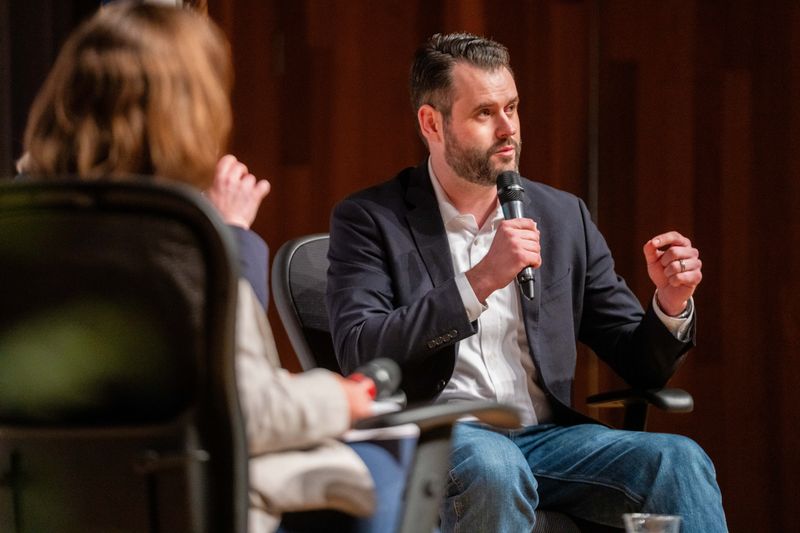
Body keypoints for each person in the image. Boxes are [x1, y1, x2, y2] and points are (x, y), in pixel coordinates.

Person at [15, 3, 404, 532]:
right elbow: (248, 413)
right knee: (382, 470)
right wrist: (338, 396)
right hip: (176, 502)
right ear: (193, 111)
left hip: (42, 503)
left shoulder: (18, 227)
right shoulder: (180, 241)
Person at [326, 32, 728, 532]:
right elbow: (361, 350)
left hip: (548, 438)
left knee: (678, 459)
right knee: (494, 465)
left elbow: (637, 361)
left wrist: (670, 305)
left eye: (512, 109)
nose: (507, 129)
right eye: (484, 113)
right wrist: (478, 282)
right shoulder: (371, 218)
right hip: (440, 436)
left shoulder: (562, 216)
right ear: (432, 123)